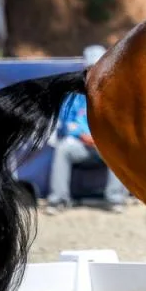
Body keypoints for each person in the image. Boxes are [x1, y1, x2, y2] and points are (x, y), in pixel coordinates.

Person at [46, 44, 129, 213]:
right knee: (63, 149)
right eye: (90, 67)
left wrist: (103, 138)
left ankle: (115, 199)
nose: (95, 71)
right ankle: (58, 200)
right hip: (82, 144)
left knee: (119, 149)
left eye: (98, 66)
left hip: (105, 146)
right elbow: (68, 123)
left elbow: (119, 124)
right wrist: (82, 135)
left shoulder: (115, 92)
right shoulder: (74, 93)